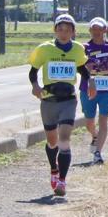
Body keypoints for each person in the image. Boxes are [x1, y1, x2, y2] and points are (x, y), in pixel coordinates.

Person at [28, 13, 89, 197]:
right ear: (55, 30)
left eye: (68, 30)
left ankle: (62, 180)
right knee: (52, 141)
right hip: (48, 100)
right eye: (60, 29)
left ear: (73, 32)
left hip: (68, 100)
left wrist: (90, 82)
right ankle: (53, 169)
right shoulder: (44, 49)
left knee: (64, 138)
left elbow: (82, 69)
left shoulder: (78, 49)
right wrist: (36, 86)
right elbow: (33, 72)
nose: (64, 33)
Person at [80, 16, 108, 164]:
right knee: (89, 121)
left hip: (105, 89)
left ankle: (97, 153)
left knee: (103, 120)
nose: (97, 32)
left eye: (100, 29)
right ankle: (94, 135)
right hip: (87, 88)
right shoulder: (84, 47)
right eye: (94, 29)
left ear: (105, 30)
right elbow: (77, 65)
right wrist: (86, 68)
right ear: (90, 30)